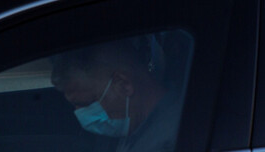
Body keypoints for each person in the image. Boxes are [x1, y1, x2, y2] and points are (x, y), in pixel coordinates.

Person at [50, 36, 184, 152]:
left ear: (123, 85)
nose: (80, 114)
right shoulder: (137, 124)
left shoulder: (171, 141)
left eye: (87, 104)